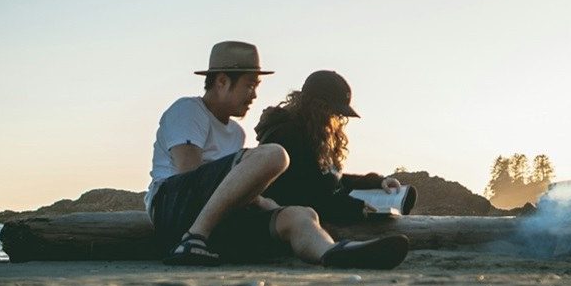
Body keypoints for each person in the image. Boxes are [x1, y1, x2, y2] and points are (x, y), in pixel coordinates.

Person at [144, 41, 409, 269]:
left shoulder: (236, 132)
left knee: (300, 214)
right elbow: (190, 176)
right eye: (249, 86)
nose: (254, 95)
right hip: (173, 212)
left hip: (219, 221)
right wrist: (257, 199)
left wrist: (263, 203)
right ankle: (193, 240)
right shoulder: (188, 111)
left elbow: (227, 186)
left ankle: (333, 253)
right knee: (275, 156)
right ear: (222, 81)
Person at [254, 70, 414, 223]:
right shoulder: (287, 136)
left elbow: (327, 180)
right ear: (317, 107)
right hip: (288, 222)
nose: (337, 120)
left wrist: (375, 182)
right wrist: (355, 208)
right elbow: (303, 197)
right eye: (334, 113)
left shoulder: (312, 133)